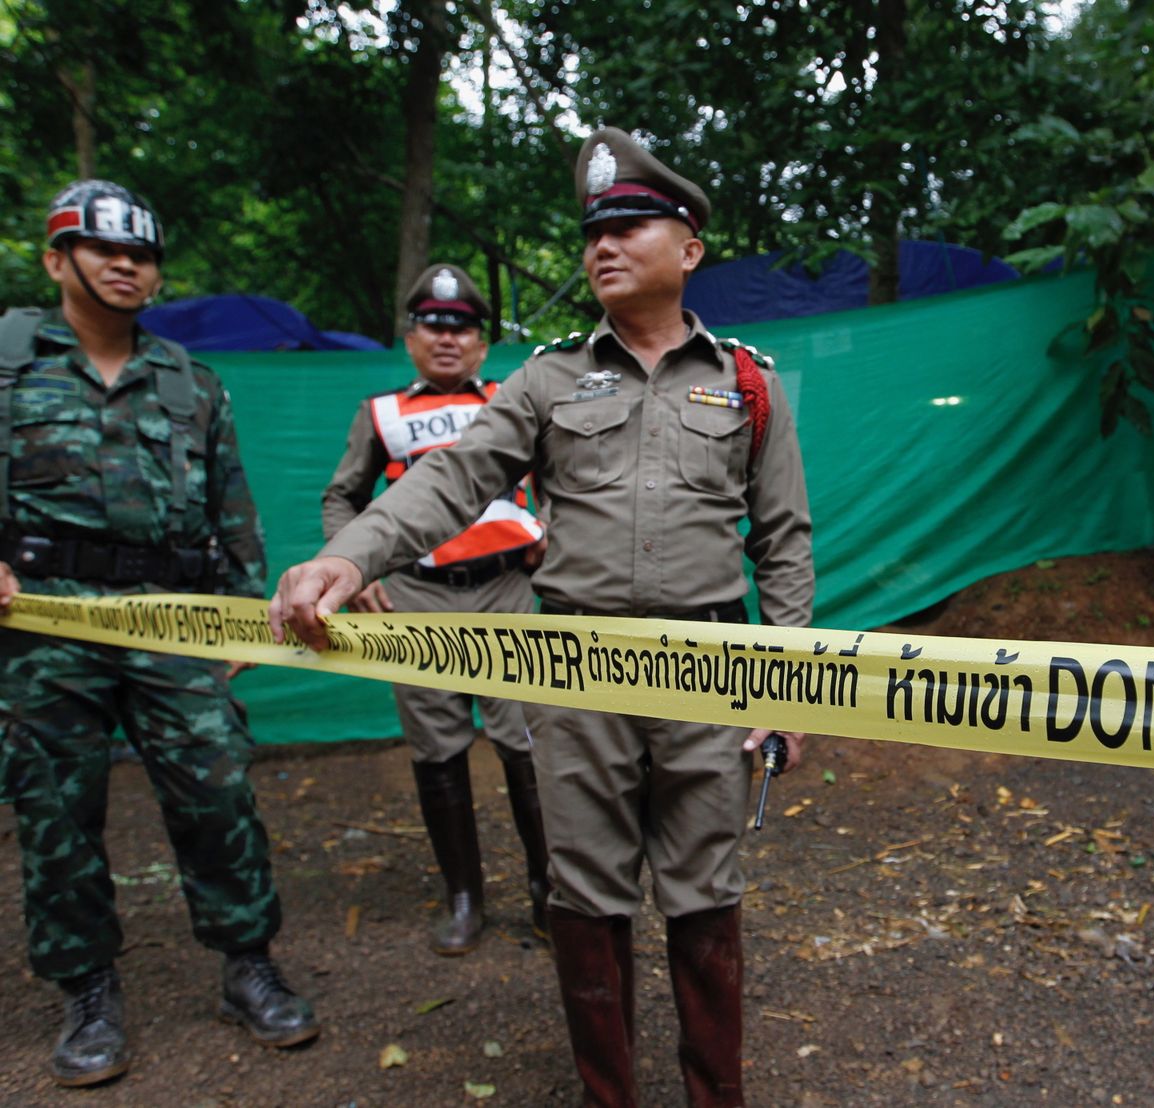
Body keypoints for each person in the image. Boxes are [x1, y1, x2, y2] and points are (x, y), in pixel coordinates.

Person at [269, 127, 813, 1106]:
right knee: (585, 896)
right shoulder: (548, 379)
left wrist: (782, 686)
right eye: (591, 230)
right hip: (574, 671)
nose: (602, 244)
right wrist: (347, 557)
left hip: (707, 668)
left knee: (706, 896)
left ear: (688, 249)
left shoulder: (746, 381)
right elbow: (454, 481)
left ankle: (713, 1094)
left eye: (629, 224)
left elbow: (783, 542)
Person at [0, 180, 318, 1088]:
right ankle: (88, 990)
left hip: (170, 621)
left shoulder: (190, 382)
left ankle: (247, 964)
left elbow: (232, 510)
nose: (127, 266)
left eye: (141, 255)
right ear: (59, 260)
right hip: (44, 622)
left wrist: (243, 611)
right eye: (104, 251)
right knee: (57, 807)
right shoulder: (9, 359)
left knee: (216, 786)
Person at [322, 262, 549, 955]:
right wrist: (352, 563)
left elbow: (566, 480)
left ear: (482, 342)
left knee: (529, 741)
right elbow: (342, 497)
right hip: (418, 597)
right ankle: (463, 897)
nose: (448, 337)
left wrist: (555, 535)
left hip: (509, 590)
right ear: (411, 335)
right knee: (438, 748)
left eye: (463, 327)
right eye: (433, 324)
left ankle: (549, 891)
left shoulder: (513, 401)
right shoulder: (380, 413)